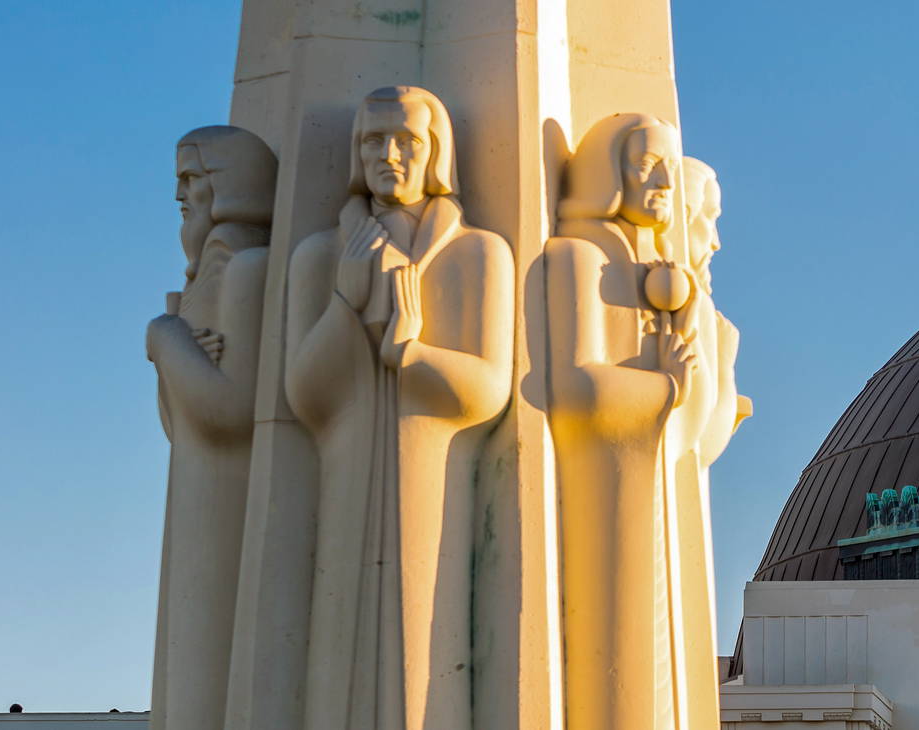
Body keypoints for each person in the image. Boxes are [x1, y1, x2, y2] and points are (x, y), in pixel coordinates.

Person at [282, 86, 514, 730]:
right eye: (371, 140)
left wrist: (410, 354)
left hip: (435, 477)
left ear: (435, 152)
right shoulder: (319, 257)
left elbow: (490, 387)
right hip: (345, 476)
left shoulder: (477, 253)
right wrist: (345, 305)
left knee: (429, 635)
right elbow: (303, 392)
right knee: (337, 637)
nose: (388, 154)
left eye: (407, 140)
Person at [545, 113, 718, 730]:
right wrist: (666, 383)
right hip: (599, 480)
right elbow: (575, 383)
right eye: (647, 165)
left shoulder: (666, 277)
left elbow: (696, 416)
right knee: (613, 632)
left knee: (659, 633)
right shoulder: (576, 258)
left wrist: (691, 343)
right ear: (606, 174)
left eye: (671, 166)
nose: (665, 182)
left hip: (654, 476)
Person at [146, 124, 274, 730]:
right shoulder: (206, 283)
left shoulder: (246, 270)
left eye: (192, 184)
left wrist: (165, 338)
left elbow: (230, 411)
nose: (183, 200)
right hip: (196, 489)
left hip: (225, 496)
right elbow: (181, 420)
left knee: (203, 669)